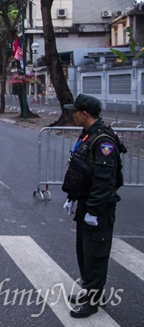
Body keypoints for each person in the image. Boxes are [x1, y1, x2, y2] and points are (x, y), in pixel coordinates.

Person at [61, 94, 124, 318]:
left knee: (95, 255)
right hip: (86, 204)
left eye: (75, 112)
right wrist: (72, 198)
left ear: (85, 114)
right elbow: (82, 172)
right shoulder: (89, 135)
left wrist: (94, 211)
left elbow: (104, 181)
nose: (73, 115)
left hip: (98, 208)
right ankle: (90, 291)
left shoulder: (103, 142)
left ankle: (93, 301)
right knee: (85, 252)